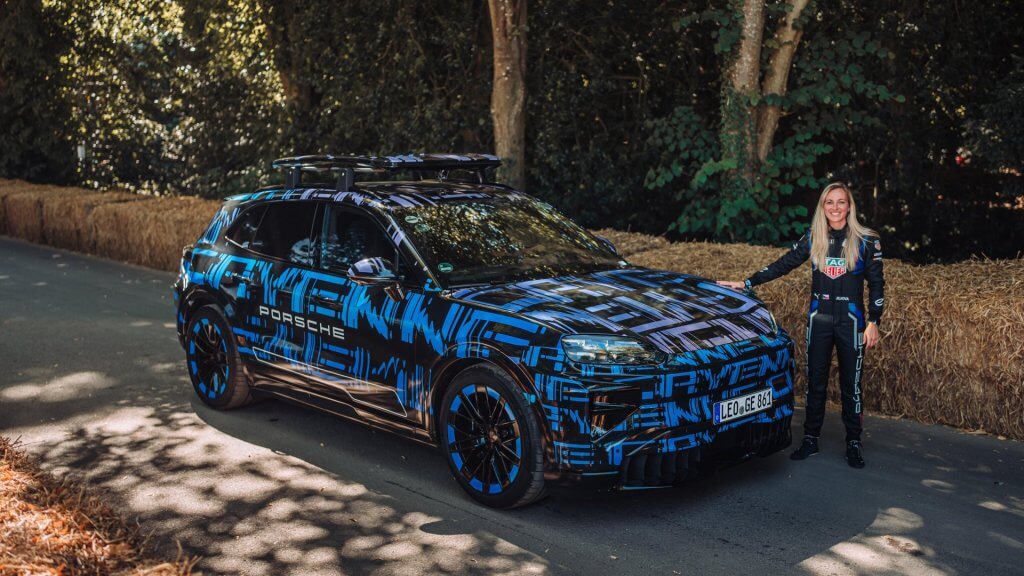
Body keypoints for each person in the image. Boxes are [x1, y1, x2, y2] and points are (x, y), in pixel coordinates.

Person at [718, 182, 884, 469]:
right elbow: (784, 263)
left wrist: (873, 322)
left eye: (840, 202)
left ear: (849, 206)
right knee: (815, 382)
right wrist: (747, 282)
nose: (835, 207)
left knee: (851, 385)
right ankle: (810, 438)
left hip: (852, 321)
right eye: (829, 202)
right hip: (818, 319)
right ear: (823, 207)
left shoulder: (867, 240)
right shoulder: (813, 237)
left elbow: (878, 284)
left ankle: (854, 443)